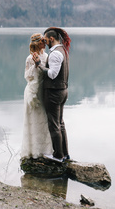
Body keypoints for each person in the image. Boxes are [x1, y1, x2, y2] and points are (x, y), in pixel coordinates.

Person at [33, 27, 71, 163]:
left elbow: (52, 74)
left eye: (45, 39)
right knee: (60, 123)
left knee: (54, 125)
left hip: (54, 93)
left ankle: (58, 156)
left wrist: (39, 65)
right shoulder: (63, 51)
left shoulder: (55, 54)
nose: (45, 42)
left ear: (51, 39)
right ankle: (65, 154)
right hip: (63, 91)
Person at [20, 33, 53, 159]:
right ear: (37, 43)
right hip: (32, 91)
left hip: (42, 90)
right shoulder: (29, 58)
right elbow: (27, 76)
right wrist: (35, 65)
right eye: (42, 41)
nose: (45, 43)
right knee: (32, 119)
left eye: (45, 41)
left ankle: (44, 150)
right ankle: (33, 151)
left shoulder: (46, 56)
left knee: (43, 120)